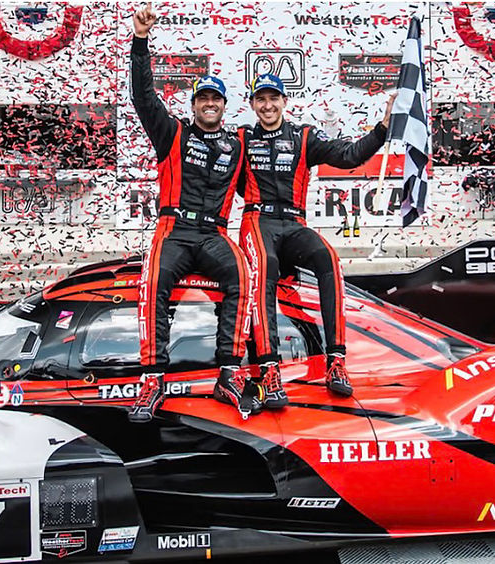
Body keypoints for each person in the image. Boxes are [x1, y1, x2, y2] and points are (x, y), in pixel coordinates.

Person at [129, 6, 257, 422]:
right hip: (174, 229)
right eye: (202, 98)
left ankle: (229, 374)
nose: (208, 105)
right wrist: (140, 42)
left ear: (223, 105)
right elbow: (143, 98)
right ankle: (152, 379)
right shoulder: (173, 133)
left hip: (215, 234)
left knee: (243, 274)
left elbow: (272, 180)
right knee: (152, 283)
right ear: (194, 104)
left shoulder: (238, 146)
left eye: (214, 99)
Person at [237, 73, 394, 409]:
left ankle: (335, 361)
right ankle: (269, 368)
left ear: (284, 102)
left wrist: (382, 129)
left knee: (328, 259)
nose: (267, 105)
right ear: (252, 104)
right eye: (261, 99)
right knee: (265, 266)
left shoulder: (303, 135)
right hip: (256, 219)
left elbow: (349, 156)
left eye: (273, 98)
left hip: (294, 221)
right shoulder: (240, 138)